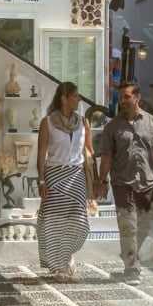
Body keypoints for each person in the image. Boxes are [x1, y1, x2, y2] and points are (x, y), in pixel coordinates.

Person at [94, 82, 153, 285]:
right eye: (120, 97)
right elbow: (106, 157)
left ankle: (129, 254)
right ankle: (132, 268)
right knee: (128, 227)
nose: (122, 101)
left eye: (126, 97)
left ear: (137, 98)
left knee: (145, 225)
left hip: (147, 182)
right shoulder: (112, 127)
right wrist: (102, 181)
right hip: (122, 183)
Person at [35, 82, 93, 281]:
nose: (79, 99)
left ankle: (68, 253)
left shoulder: (84, 122)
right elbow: (41, 153)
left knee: (78, 222)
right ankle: (59, 266)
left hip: (77, 176)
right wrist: (41, 181)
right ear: (64, 98)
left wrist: (98, 180)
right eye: (75, 96)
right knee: (54, 222)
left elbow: (89, 153)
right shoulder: (47, 122)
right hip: (54, 175)